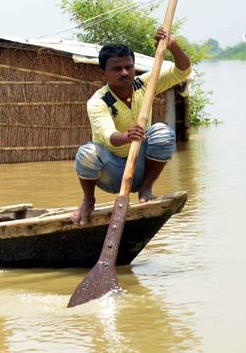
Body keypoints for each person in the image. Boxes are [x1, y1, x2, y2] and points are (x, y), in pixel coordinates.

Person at [72, 27, 191, 226]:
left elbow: (183, 70)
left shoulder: (145, 84)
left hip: (142, 167)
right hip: (113, 172)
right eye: (117, 69)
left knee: (162, 132)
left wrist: (173, 46)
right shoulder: (98, 101)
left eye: (129, 67)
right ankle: (89, 200)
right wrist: (127, 136)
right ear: (104, 74)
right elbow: (108, 135)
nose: (125, 72)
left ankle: (146, 188)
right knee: (87, 153)